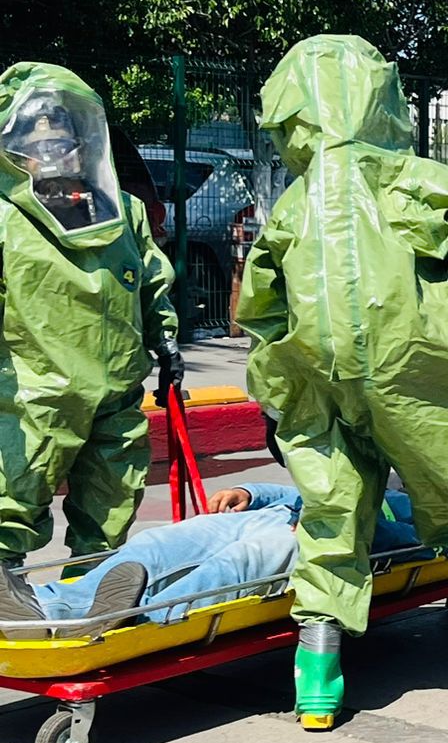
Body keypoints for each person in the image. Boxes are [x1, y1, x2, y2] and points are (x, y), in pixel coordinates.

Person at [236, 35, 448, 731]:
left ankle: (317, 677)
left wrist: (279, 382)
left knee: (330, 515)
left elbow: (258, 306)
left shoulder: (293, 204)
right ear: (379, 99)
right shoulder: (424, 182)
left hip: (319, 380)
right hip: (418, 369)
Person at [0, 63, 181, 573]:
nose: (55, 151)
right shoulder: (7, 217)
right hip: (34, 395)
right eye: (40, 141)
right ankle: (4, 591)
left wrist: (165, 339)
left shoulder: (121, 210)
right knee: (12, 491)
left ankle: (92, 590)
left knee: (111, 496)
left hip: (118, 392)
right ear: (15, 151)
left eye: (66, 139)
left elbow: (150, 278)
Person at [0, 483, 419, 640]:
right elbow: (299, 491)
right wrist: (250, 492)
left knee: (243, 561)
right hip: (278, 513)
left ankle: (134, 621)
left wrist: (350, 528)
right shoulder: (366, 461)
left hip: (330, 538)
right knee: (159, 542)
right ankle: (47, 607)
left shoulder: (430, 503)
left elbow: (419, 545)